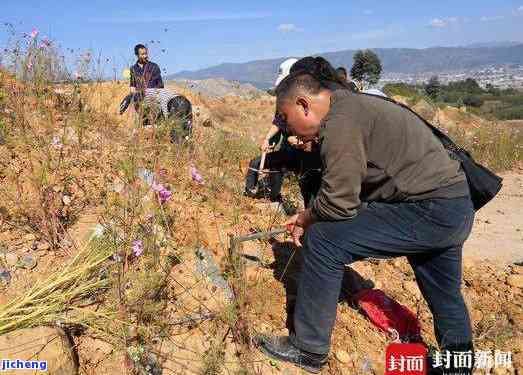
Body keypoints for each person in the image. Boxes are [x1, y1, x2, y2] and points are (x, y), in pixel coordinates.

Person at [255, 71, 475, 375]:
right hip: (454, 205)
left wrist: (306, 217)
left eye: (288, 119)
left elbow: (339, 202)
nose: (291, 131)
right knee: (443, 290)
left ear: (304, 104)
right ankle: (458, 366)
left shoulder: (340, 122)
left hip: (430, 209)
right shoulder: (349, 105)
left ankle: (307, 349)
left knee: (324, 240)